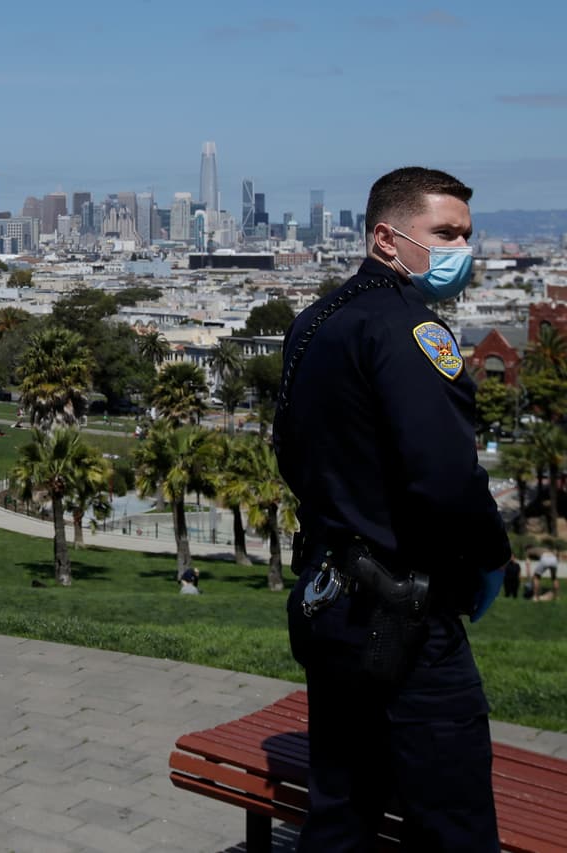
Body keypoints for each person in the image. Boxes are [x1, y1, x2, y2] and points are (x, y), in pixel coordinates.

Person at [273, 167, 510, 851]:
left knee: (341, 814)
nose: (462, 248)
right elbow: (445, 478)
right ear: (386, 237)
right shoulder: (410, 331)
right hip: (405, 614)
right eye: (445, 232)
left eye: (467, 233)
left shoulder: (314, 322)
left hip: (331, 601)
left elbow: (290, 452)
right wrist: (491, 556)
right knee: (453, 822)